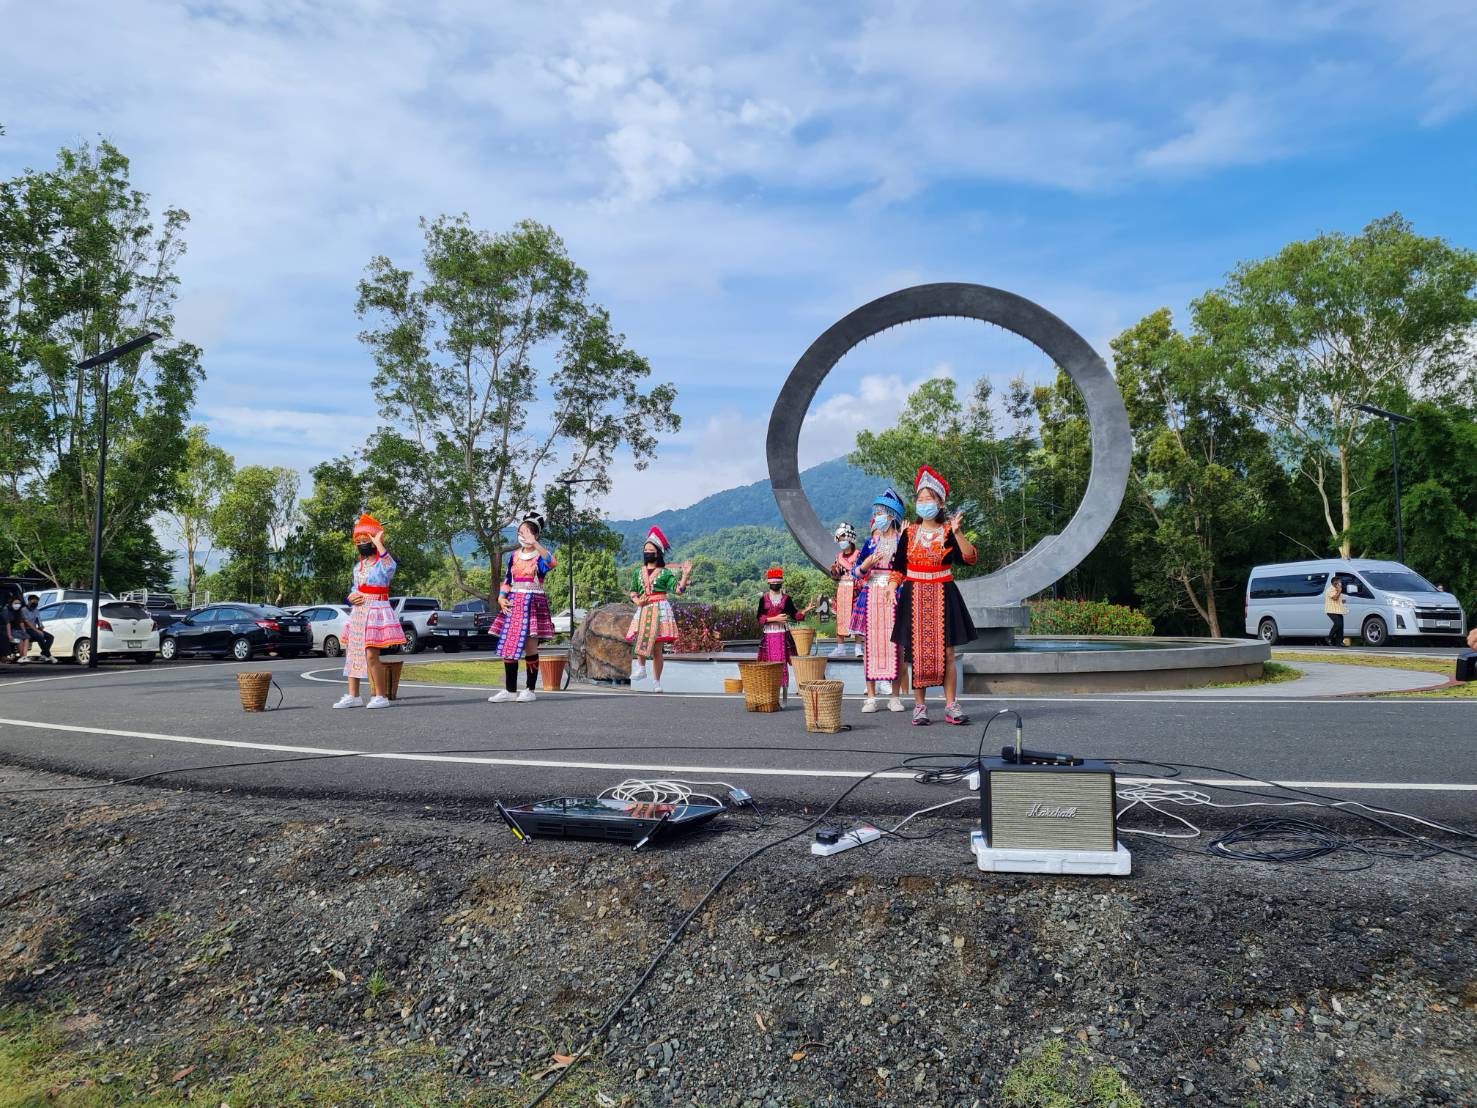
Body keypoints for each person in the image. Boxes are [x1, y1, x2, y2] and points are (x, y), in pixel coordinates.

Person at [891, 465, 978, 726]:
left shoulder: (949, 533)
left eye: (928, 499)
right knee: (916, 653)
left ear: (940, 503)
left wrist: (958, 532)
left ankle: (951, 705)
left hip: (943, 593)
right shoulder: (909, 534)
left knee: (948, 652)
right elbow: (899, 567)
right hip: (914, 594)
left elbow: (970, 558)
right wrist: (890, 588)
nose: (923, 503)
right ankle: (920, 707)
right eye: (920, 499)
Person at [334, 514, 406, 709]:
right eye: (358, 541)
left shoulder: (383, 564)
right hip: (358, 612)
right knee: (352, 652)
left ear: (374, 541)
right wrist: (351, 597)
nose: (361, 544)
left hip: (375, 611)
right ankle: (354, 695)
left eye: (365, 540)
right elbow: (354, 588)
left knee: (371, 655)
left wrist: (378, 541)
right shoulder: (359, 567)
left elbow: (390, 566)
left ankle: (380, 696)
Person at [488, 511, 557, 704]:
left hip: (533, 603)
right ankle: (510, 690)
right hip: (514, 603)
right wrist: (501, 598)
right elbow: (507, 580)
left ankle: (530, 689)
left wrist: (535, 544)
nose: (522, 535)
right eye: (520, 532)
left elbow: (552, 562)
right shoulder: (513, 556)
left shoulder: (540, 556)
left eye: (526, 532)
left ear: (535, 534)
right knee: (509, 646)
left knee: (530, 646)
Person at [853, 488, 908, 713]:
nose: (877, 517)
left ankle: (895, 696)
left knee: (897, 647)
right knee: (870, 646)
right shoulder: (870, 543)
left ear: (892, 515)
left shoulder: (902, 541)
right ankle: (871, 697)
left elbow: (907, 569)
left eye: (881, 513)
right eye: (876, 513)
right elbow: (856, 572)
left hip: (896, 594)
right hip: (872, 595)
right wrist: (866, 565)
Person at [625, 526, 692, 693]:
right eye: (645, 550)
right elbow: (633, 591)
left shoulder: (665, 573)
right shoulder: (637, 572)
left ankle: (656, 681)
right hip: (644, 608)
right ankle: (641, 667)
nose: (647, 552)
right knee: (640, 637)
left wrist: (684, 575)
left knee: (657, 649)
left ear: (658, 553)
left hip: (660, 609)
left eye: (651, 550)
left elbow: (678, 590)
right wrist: (637, 601)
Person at [756, 566, 811, 706]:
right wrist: (775, 619)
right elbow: (760, 618)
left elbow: (795, 615)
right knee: (769, 666)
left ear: (781, 583)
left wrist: (805, 611)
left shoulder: (786, 599)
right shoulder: (763, 599)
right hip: (768, 635)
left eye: (777, 582)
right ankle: (772, 697)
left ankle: (785, 698)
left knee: (783, 666)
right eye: (773, 582)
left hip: (782, 635)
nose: (775, 584)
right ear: (769, 583)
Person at [828, 523, 862, 657]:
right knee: (840, 618)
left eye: (843, 538)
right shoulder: (838, 557)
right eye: (840, 539)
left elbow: (863, 572)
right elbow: (836, 577)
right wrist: (834, 571)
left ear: (850, 538)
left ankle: (858, 647)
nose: (841, 541)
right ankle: (840, 647)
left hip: (856, 590)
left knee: (857, 617)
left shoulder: (859, 554)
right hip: (842, 589)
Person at [21, 595, 56, 663]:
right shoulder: (23, 610)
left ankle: (43, 654)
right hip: (27, 629)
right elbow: (27, 622)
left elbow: (38, 620)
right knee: (40, 636)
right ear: (29, 601)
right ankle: (49, 655)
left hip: (34, 629)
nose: (35, 603)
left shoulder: (36, 610)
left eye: (37, 601)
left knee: (50, 637)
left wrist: (41, 627)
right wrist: (37, 630)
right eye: (34, 601)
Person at [1324, 576, 1346, 647]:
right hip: (1331, 610)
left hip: (1339, 610)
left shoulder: (1338, 589)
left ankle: (1339, 642)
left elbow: (1339, 599)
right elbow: (1335, 598)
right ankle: (1329, 637)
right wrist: (1339, 591)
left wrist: (1343, 601)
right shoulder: (1330, 590)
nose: (1340, 583)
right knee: (1338, 624)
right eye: (1339, 582)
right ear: (1334, 582)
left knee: (1341, 627)